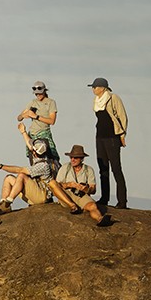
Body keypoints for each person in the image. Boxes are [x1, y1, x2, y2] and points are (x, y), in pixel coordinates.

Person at [0, 122, 78, 216]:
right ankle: (3, 204)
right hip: (36, 191)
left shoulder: (43, 165)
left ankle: (8, 202)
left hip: (42, 195)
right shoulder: (39, 155)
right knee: (8, 178)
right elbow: (29, 143)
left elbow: (19, 170)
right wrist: (23, 132)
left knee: (21, 176)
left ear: (34, 152)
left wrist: (0, 166)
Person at [89, 77, 128, 209]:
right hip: (99, 137)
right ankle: (105, 198)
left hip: (112, 137)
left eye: (95, 87)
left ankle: (122, 201)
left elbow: (122, 116)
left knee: (116, 169)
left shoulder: (113, 98)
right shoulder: (96, 100)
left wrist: (122, 134)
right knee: (103, 169)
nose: (93, 89)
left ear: (102, 87)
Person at [55, 145, 112, 227]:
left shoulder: (88, 170)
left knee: (93, 206)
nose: (72, 159)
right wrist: (69, 184)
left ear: (81, 159)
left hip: (81, 195)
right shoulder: (65, 167)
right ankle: (72, 206)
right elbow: (57, 185)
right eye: (71, 157)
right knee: (52, 183)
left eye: (75, 158)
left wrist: (86, 189)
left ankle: (100, 219)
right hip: (67, 194)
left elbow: (93, 189)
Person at [18, 81, 60, 166]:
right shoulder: (33, 102)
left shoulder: (50, 102)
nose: (38, 95)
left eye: (39, 93)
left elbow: (52, 121)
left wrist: (36, 116)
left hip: (44, 133)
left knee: (52, 156)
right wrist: (25, 115)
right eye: (36, 94)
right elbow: (19, 117)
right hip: (32, 134)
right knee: (33, 157)